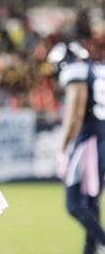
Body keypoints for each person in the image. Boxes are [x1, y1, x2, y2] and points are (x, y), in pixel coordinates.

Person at [50, 41, 105, 254]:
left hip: (87, 143)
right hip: (101, 141)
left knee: (73, 204)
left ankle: (101, 241)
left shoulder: (76, 71)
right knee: (92, 201)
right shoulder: (98, 69)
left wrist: (63, 150)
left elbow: (75, 115)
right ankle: (90, 250)